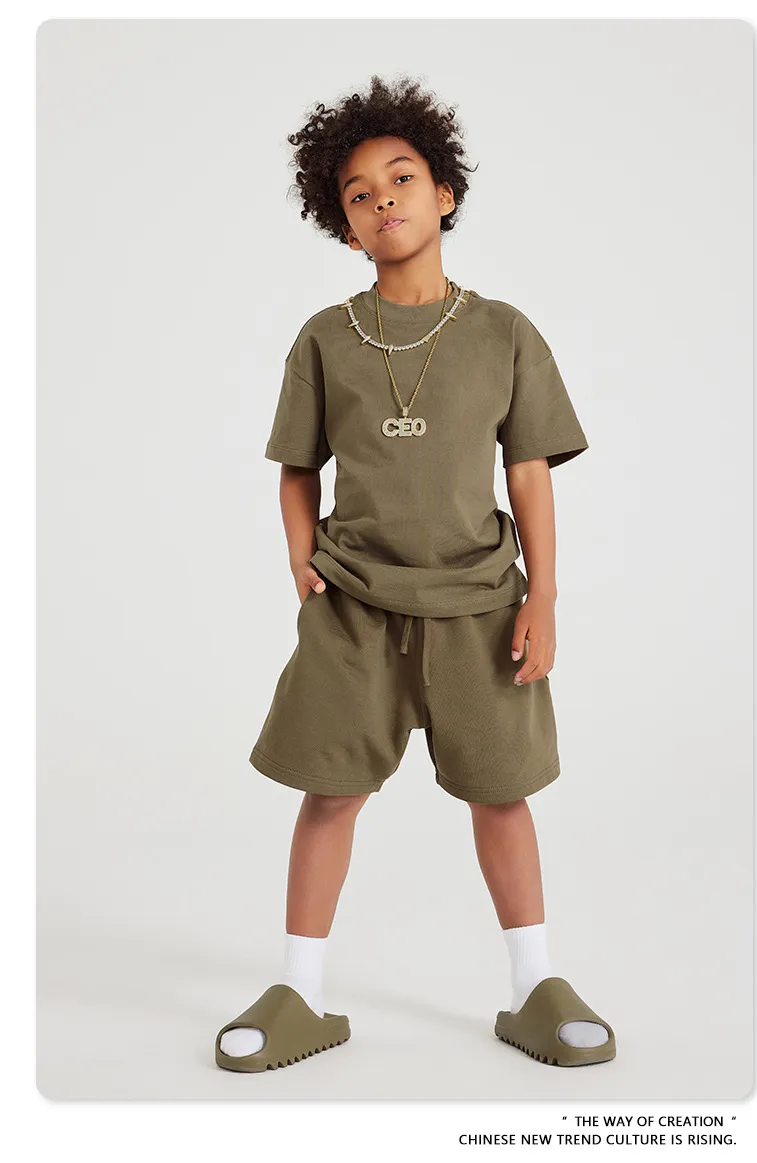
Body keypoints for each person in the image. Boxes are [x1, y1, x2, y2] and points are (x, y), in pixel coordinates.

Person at [215, 75, 615, 1073]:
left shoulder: (504, 332)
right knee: (328, 794)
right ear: (345, 228)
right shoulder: (326, 337)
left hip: (481, 606)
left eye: (401, 178)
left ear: (445, 193)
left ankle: (534, 984)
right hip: (352, 608)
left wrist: (543, 596)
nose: (382, 198)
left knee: (501, 794)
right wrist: (302, 561)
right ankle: (300, 991)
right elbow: (295, 466)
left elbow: (528, 471)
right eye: (357, 193)